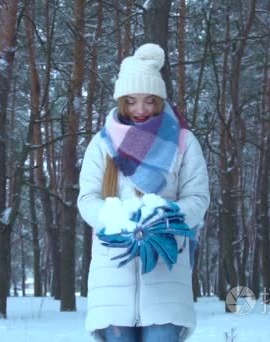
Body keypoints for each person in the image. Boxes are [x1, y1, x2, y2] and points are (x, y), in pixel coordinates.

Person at [77, 43, 210, 342]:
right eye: (132, 101)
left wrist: (166, 216)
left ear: (160, 100)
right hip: (112, 273)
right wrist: (116, 219)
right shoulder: (101, 144)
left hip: (166, 273)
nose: (141, 110)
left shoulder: (184, 142)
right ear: (122, 100)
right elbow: (87, 200)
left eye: (150, 100)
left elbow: (198, 199)